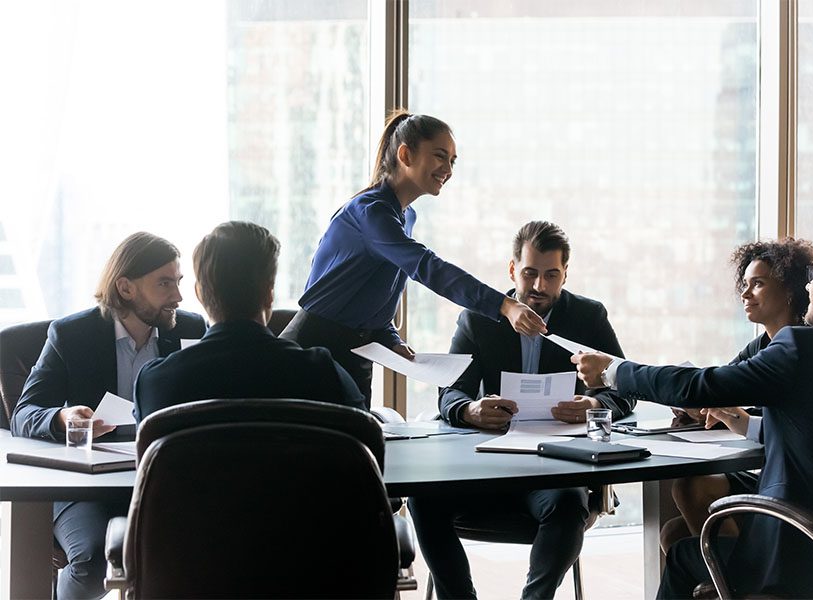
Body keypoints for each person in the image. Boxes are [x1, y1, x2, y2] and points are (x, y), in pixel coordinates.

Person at [571, 230, 813, 599]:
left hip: (794, 555)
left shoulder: (802, 348)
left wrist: (614, 371)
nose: (809, 286)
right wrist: (748, 424)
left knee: (682, 555)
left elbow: (698, 386)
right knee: (679, 533)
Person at [407, 221, 634, 600]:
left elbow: (625, 392)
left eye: (551, 275)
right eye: (530, 273)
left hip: (554, 472)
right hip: (485, 466)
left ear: (565, 274)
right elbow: (450, 393)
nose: (539, 287)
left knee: (567, 505)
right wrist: (470, 410)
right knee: (422, 497)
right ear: (512, 270)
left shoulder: (588, 317)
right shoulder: (478, 318)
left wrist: (592, 404)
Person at [279, 110, 547, 406]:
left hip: (356, 355)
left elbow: (373, 294)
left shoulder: (405, 217)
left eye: (452, 161)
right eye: (440, 156)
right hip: (313, 349)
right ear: (405, 155)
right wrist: (505, 305)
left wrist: (391, 339)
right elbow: (428, 267)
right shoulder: (372, 212)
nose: (448, 169)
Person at [11, 232, 207, 600]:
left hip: (161, 479)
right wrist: (62, 418)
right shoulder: (72, 334)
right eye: (164, 283)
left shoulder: (190, 330)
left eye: (178, 282)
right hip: (87, 487)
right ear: (126, 287)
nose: (178, 296)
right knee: (92, 563)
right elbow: (25, 412)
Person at [660, 238, 813, 551]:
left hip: (797, 489)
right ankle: (726, 581)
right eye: (744, 285)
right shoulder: (762, 344)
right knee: (674, 533)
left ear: (789, 289)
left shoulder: (806, 347)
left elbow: (795, 423)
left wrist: (735, 416)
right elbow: (720, 386)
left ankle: (739, 580)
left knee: (689, 498)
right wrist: (701, 406)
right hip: (771, 477)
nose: (745, 295)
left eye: (757, 284)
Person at [134, 221, 365, 421]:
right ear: (269, 293)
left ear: (200, 294)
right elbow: (367, 455)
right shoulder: (323, 374)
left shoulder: (154, 384)